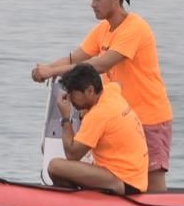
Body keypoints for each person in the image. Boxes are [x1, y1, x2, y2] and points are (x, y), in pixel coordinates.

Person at [31, 0, 173, 192]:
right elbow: (74, 58)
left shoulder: (135, 28)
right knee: (107, 169)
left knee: (153, 188)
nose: (92, 4)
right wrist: (47, 69)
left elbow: (98, 65)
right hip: (117, 115)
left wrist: (52, 71)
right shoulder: (103, 30)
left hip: (148, 115)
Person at [47, 63, 148, 195]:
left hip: (123, 181)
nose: (70, 100)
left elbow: (72, 155)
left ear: (90, 91)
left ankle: (74, 205)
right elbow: (118, 84)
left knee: (55, 166)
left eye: (73, 95)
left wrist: (65, 117)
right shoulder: (110, 91)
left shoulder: (98, 114)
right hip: (136, 176)